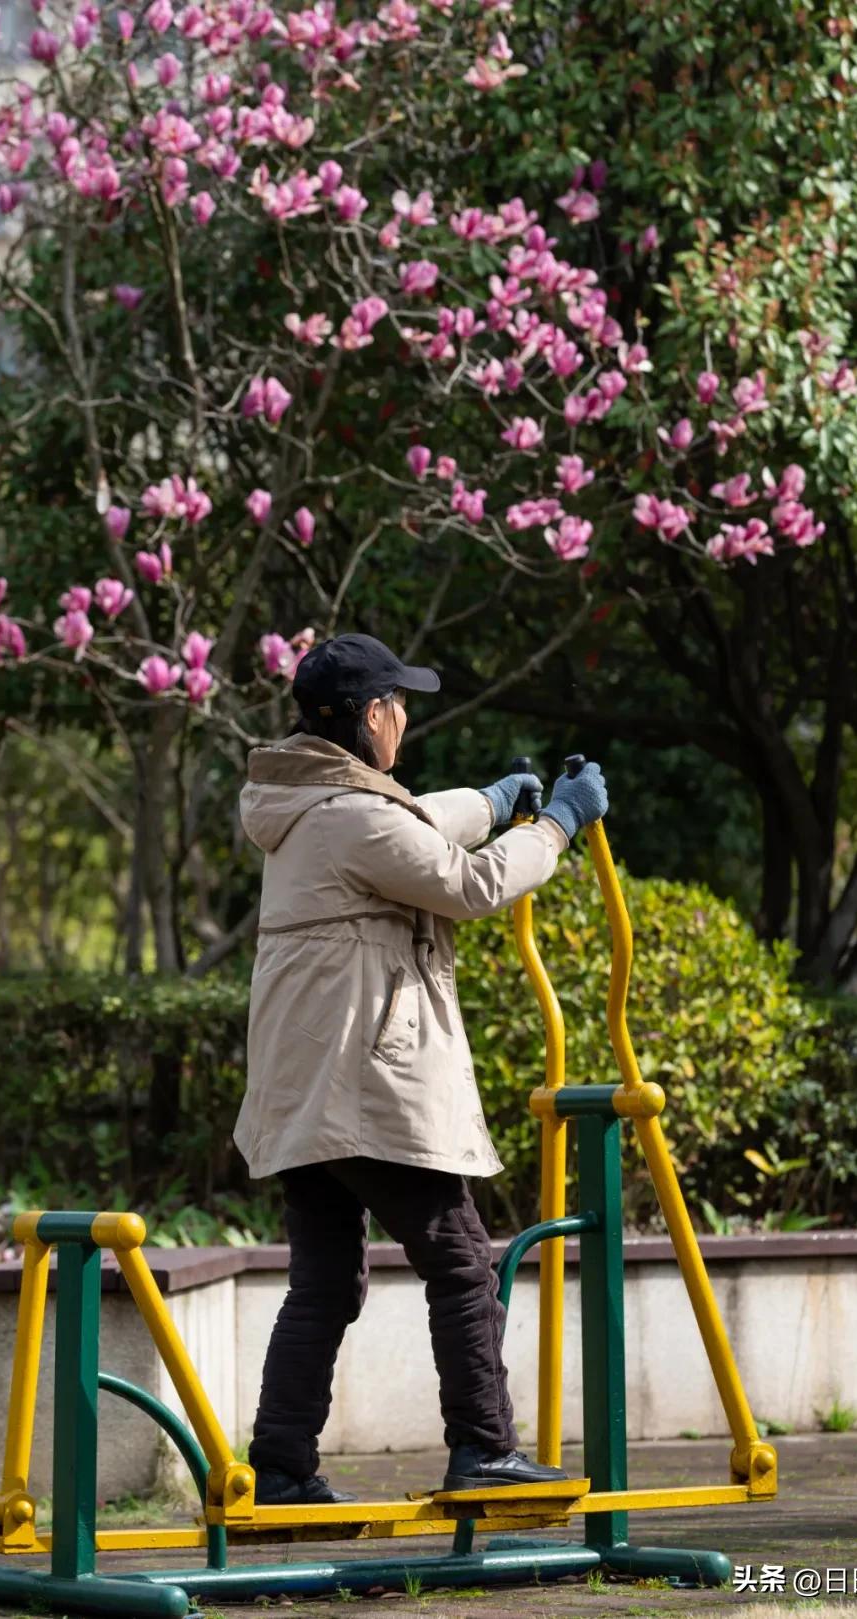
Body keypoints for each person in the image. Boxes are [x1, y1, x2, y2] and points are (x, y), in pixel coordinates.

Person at [234, 633, 608, 1506]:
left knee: (326, 1281)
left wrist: (490, 799)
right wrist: (559, 822)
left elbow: (411, 824)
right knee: (461, 1260)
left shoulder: (308, 807)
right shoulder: (349, 816)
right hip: (364, 1082)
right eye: (399, 704)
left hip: (306, 1092)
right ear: (372, 715)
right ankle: (483, 1448)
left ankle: (283, 1465)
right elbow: (465, 884)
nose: (406, 718)